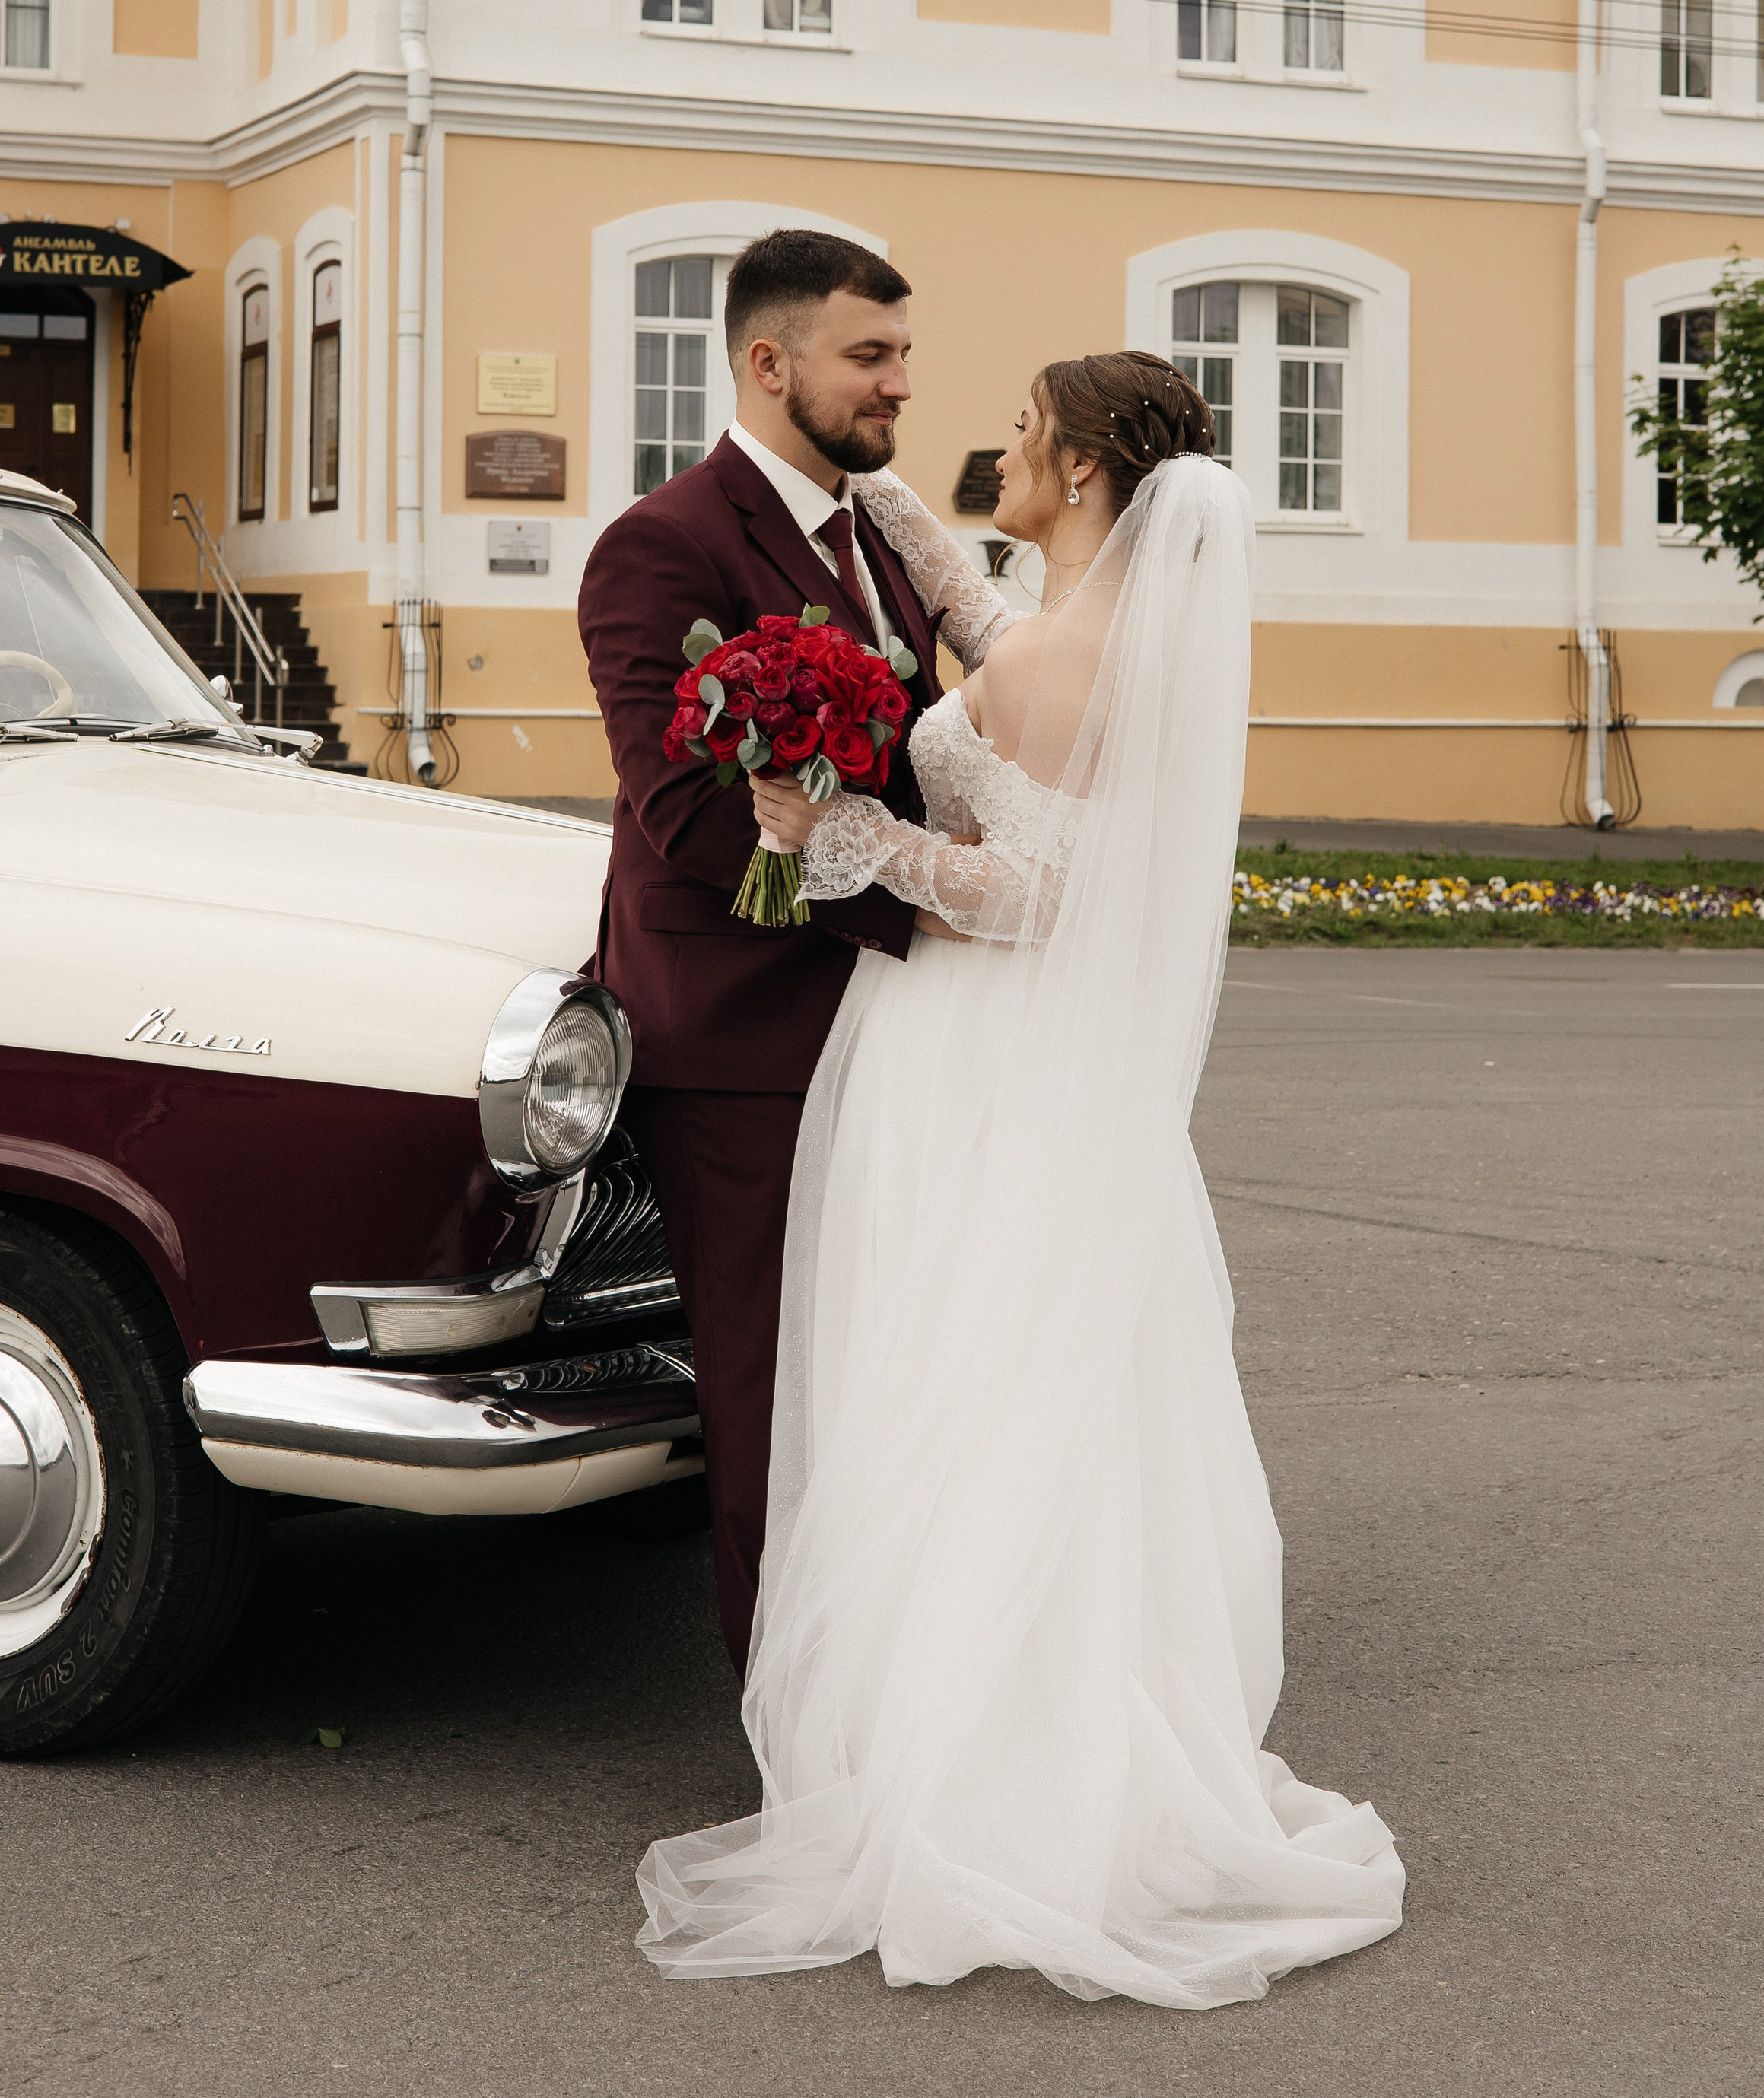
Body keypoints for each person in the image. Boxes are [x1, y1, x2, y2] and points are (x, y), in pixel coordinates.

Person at [635, 351, 1406, 2006]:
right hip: (1033, 1085)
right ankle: (1031, 1734)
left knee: (954, 1395)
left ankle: (976, 1784)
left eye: (1019, 439)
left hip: (973, 1063)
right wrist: (891, 508)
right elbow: (994, 644)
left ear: (1078, 475)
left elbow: (1043, 893)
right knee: (1028, 1396)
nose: (995, 451)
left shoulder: (1073, 657)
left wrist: (834, 832)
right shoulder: (1100, 642)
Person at [578, 230, 939, 1674]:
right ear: (768, 362)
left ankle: (882, 1679)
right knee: (768, 1390)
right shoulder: (661, 544)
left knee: (872, 1378)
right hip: (737, 1045)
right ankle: (793, 1725)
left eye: (904, 353)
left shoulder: (883, 541)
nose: (900, 384)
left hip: (887, 1026)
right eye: (872, 354)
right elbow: (690, 821)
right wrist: (930, 908)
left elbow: (910, 765)